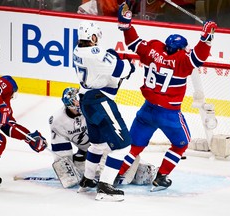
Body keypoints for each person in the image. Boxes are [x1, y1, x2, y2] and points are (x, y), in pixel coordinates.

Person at [117, 1, 217, 191]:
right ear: (180, 49)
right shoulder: (181, 61)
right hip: (169, 114)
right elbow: (198, 56)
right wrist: (207, 37)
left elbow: (133, 42)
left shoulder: (153, 49)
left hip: (147, 110)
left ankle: (113, 175)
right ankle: (161, 177)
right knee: (181, 145)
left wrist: (126, 26)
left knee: (134, 147)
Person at [73, 20, 135, 201]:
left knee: (97, 145)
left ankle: (87, 180)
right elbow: (120, 69)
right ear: (92, 37)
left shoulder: (77, 50)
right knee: (123, 146)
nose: (97, 40)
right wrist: (129, 66)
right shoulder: (94, 53)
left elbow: (105, 69)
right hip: (100, 102)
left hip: (86, 101)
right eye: (96, 37)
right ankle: (105, 186)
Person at [49, 87, 90, 173]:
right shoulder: (58, 120)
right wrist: (65, 165)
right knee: (67, 168)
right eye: (75, 106)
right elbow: (61, 146)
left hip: (98, 147)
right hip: (85, 147)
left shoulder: (92, 110)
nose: (78, 108)